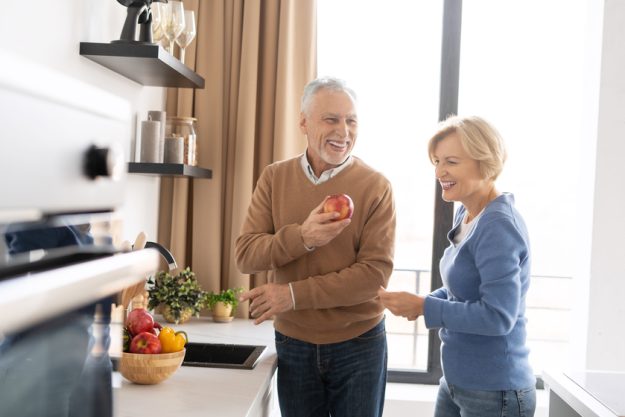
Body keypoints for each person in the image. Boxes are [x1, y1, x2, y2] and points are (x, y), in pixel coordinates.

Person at [235, 76, 396, 417]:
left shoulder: (376, 187)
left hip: (360, 343)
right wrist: (303, 238)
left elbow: (373, 277)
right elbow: (246, 255)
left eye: (351, 120)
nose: (344, 131)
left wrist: (291, 295)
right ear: (304, 123)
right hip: (295, 344)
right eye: (331, 119)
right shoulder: (274, 178)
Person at [378, 115, 536, 417]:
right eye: (436, 161)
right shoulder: (466, 212)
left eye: (451, 161)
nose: (439, 171)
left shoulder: (499, 226)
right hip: (457, 382)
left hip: (495, 391)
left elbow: (497, 317)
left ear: (484, 162)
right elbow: (463, 289)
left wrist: (425, 307)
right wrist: (422, 302)